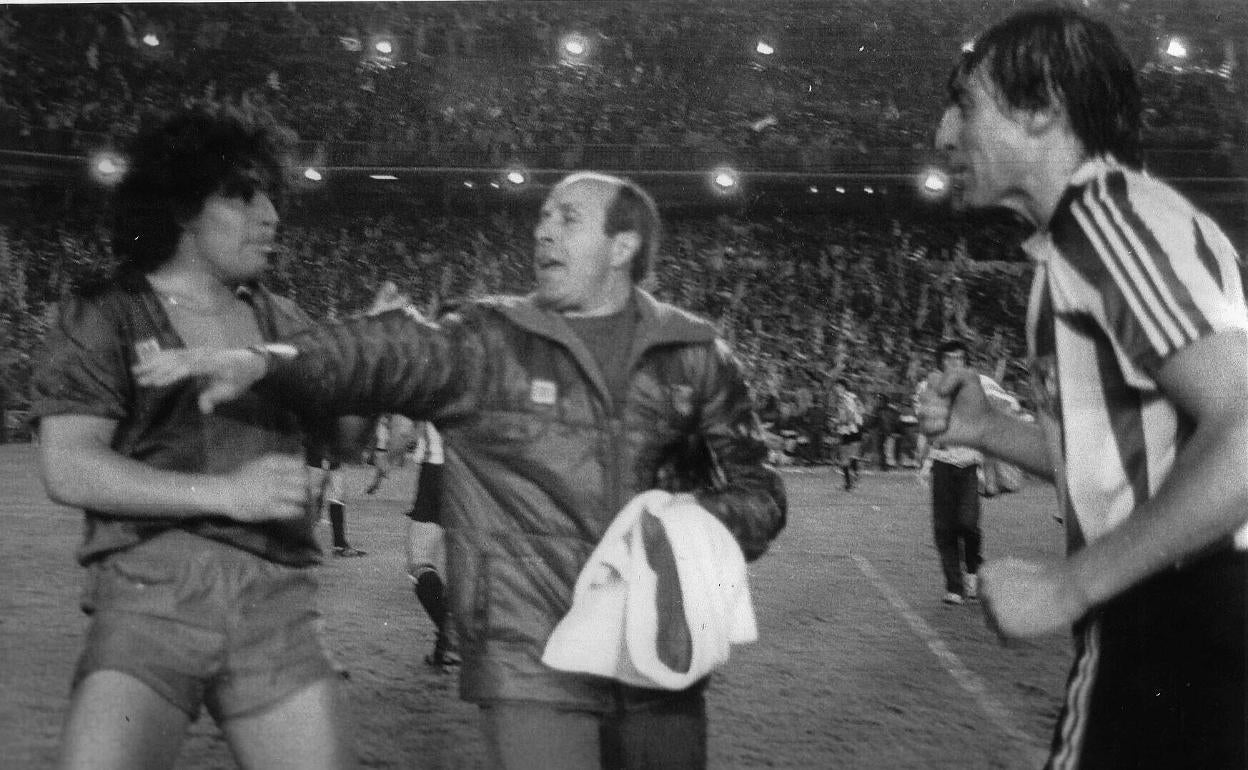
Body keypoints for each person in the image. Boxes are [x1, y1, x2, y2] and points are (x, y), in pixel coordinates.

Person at [135, 170, 787, 770]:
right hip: (533, 655)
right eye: (543, 216)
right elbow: (383, 351)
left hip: (656, 654)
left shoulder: (694, 354)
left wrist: (691, 524)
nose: (543, 230)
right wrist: (268, 361)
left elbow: (759, 491)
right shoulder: (492, 340)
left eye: (567, 218)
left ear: (622, 246)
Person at [926, 6, 1248, 767]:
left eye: (965, 104)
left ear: (1042, 108)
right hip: (1193, 613)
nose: (943, 134)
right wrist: (989, 431)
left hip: (1174, 611)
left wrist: (1068, 587)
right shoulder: (1094, 238)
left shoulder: (1104, 217)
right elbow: (1138, 456)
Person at [29, 105, 356, 769]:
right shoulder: (106, 313)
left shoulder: (284, 318)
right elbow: (69, 464)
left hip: (276, 602)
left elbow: (348, 436)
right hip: (151, 597)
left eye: (270, 196)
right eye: (242, 195)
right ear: (182, 209)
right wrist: (225, 494)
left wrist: (367, 365)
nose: (270, 215)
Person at [915, 341, 984, 605]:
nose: (954, 362)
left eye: (959, 358)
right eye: (949, 358)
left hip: (969, 462)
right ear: (940, 362)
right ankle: (954, 585)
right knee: (945, 527)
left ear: (966, 362)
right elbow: (924, 427)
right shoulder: (928, 388)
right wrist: (922, 460)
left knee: (968, 523)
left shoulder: (978, 387)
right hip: (942, 462)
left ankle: (973, 570)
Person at [404, 420, 460, 671]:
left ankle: (452, 639)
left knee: (420, 562)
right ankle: (445, 647)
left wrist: (386, 456)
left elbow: (403, 432)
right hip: (480, 477)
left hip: (437, 470)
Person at [829, 378, 864, 490]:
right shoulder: (853, 396)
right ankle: (853, 480)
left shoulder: (843, 398)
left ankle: (849, 483)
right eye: (835, 386)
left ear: (842, 387)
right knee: (852, 456)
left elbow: (848, 415)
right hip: (856, 428)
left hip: (848, 429)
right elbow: (862, 409)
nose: (835, 388)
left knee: (845, 456)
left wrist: (836, 422)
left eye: (837, 386)